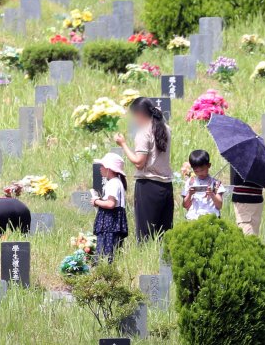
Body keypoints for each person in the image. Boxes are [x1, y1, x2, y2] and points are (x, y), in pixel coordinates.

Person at [114, 97, 173, 242]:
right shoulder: (166, 128)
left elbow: (139, 163)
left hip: (148, 186)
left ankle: (146, 260)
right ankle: (163, 263)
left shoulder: (144, 132)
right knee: (163, 232)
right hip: (166, 186)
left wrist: (123, 144)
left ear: (140, 113)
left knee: (145, 233)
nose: (134, 120)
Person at [91, 153, 129, 261]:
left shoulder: (113, 183)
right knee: (113, 251)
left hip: (109, 222)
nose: (100, 168)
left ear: (109, 169)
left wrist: (96, 201)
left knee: (105, 253)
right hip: (113, 222)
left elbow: (110, 204)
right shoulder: (117, 182)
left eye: (102, 166)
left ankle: (104, 272)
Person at [181, 150, 225, 220]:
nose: (199, 173)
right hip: (193, 218)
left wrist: (212, 194)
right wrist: (189, 194)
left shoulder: (216, 184)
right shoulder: (190, 183)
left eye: (202, 170)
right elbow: (185, 205)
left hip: (212, 218)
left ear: (209, 166)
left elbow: (219, 205)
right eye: (196, 171)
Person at [230, 167, 264, 235]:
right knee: (253, 230)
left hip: (246, 199)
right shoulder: (260, 161)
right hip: (255, 198)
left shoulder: (246, 162)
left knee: (246, 230)